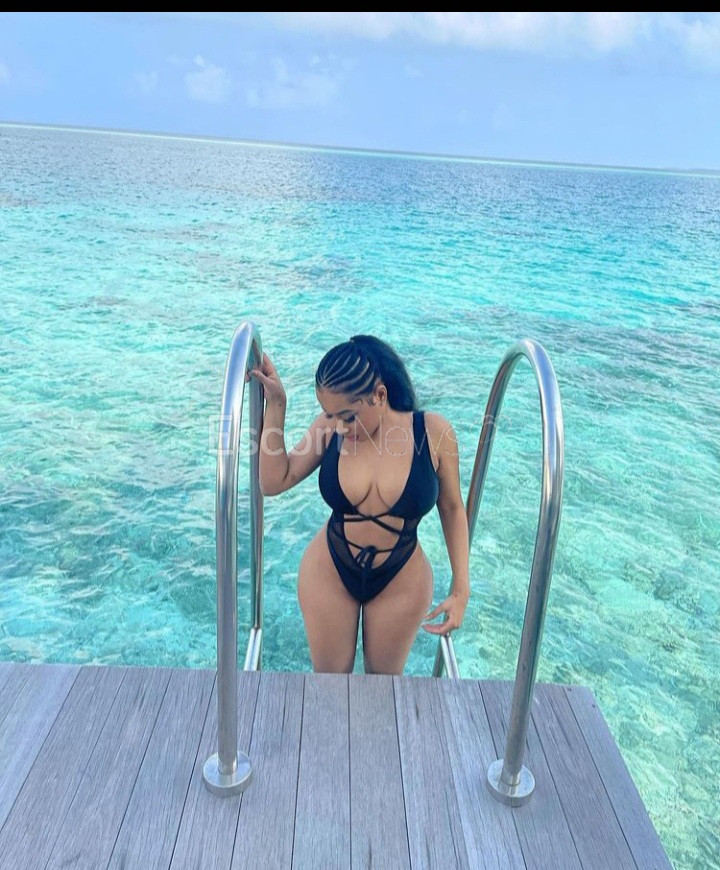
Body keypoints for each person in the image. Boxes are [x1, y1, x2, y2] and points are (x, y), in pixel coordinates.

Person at [246, 334, 470, 675]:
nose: (338, 426)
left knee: (383, 690)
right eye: (330, 414)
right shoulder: (330, 428)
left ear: (380, 395)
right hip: (329, 569)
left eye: (348, 417)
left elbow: (452, 508)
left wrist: (461, 589)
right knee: (330, 687)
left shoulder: (433, 432)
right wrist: (276, 405)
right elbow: (275, 481)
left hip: (402, 578)